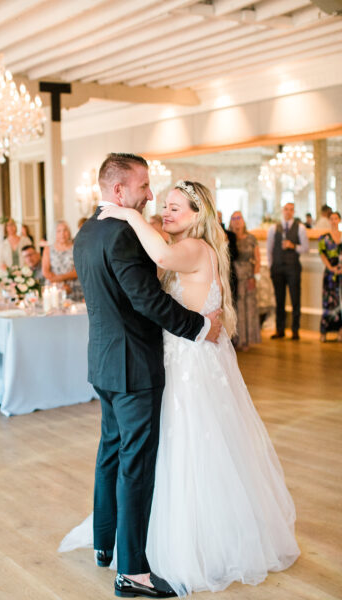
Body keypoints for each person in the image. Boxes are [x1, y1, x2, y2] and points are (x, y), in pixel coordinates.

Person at [61, 177, 300, 595]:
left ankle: (178, 541)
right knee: (159, 450)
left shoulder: (190, 248)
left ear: (197, 217)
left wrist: (131, 214)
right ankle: (138, 543)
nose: (165, 211)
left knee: (184, 447)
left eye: (175, 207)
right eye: (164, 204)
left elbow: (162, 257)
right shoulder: (187, 247)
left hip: (187, 365)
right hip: (174, 359)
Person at [67, 154, 222, 599]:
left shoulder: (88, 229)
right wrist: (200, 327)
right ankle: (132, 572)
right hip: (133, 366)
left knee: (111, 454)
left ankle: (105, 544)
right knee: (135, 465)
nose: (151, 194)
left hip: (104, 362)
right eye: (144, 185)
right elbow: (147, 301)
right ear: (119, 191)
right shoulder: (123, 233)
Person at [267, 202, 309, 340]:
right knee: (279, 300)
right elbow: (269, 249)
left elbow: (305, 248)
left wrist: (293, 246)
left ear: (294, 212)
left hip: (293, 268)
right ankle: (280, 329)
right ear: (282, 211)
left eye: (291, 210)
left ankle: (295, 330)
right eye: (286, 209)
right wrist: (271, 266)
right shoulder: (274, 228)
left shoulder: (300, 228)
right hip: (278, 268)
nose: (288, 212)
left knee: (295, 298)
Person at [229, 211, 261, 351]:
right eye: (234, 218)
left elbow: (258, 260)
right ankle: (235, 339)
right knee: (236, 309)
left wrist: (254, 276)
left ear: (243, 220)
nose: (237, 221)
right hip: (233, 277)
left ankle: (246, 340)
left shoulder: (251, 238)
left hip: (248, 276)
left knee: (248, 309)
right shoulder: (228, 238)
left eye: (239, 218)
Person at [42, 221, 83, 302]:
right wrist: (60, 285)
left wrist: (58, 278)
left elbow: (78, 271)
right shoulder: (48, 249)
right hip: (54, 289)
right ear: (55, 233)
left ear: (69, 232)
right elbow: (45, 271)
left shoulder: (77, 248)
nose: (62, 234)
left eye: (65, 230)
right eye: (59, 231)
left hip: (74, 287)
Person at [318, 211, 342, 342]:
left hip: (341, 272)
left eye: (336, 218)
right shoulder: (324, 237)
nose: (334, 221)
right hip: (329, 273)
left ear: (339, 220)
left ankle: (340, 331)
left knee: (341, 303)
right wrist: (331, 268)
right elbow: (322, 254)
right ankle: (324, 331)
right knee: (329, 302)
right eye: (331, 219)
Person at [217, 210, 238, 306]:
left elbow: (236, 255)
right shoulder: (204, 235)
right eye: (215, 217)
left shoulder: (230, 235)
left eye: (220, 218)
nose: (217, 220)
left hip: (228, 273)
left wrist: (226, 243)